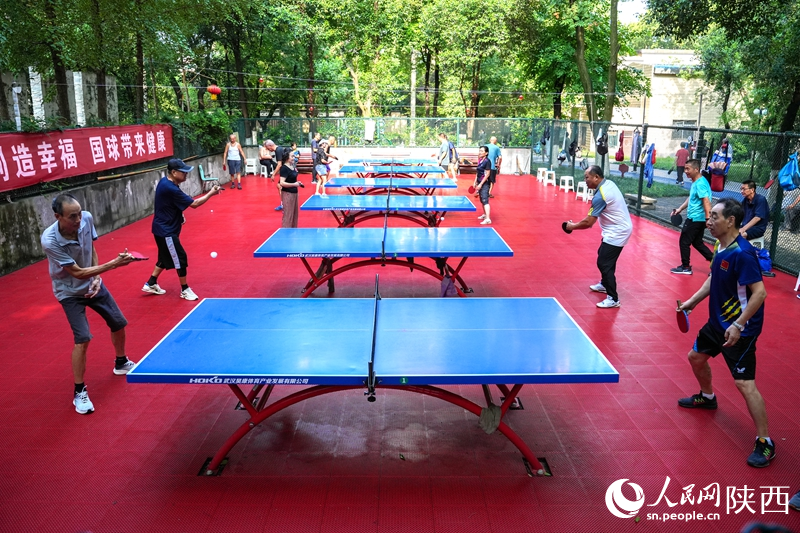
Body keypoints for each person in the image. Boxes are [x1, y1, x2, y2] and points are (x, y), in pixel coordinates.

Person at [676, 198, 772, 468]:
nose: (709, 221)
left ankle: (765, 442)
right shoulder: (720, 245)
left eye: (715, 216)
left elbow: (760, 293)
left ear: (730, 220)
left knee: (744, 383)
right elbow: (713, 278)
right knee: (695, 357)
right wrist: (692, 301)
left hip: (740, 329)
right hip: (718, 323)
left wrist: (739, 324)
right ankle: (707, 398)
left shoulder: (743, 253)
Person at [41, 194, 137, 415]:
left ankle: (121, 362)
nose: (78, 219)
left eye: (79, 213)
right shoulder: (50, 240)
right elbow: (76, 272)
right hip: (69, 292)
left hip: (92, 282)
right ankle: (79, 391)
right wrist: (113, 265)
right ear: (58, 217)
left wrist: (96, 279)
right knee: (83, 338)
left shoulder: (86, 219)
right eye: (72, 216)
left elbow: (90, 249)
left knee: (119, 322)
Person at [142, 158, 221, 301]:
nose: (186, 174)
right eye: (183, 172)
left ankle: (151, 283)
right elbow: (195, 204)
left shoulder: (166, 182)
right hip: (166, 231)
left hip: (162, 229)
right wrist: (211, 193)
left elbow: (169, 204)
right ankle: (185, 289)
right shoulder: (170, 188)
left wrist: (179, 215)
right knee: (180, 258)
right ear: (173, 172)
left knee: (164, 258)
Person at [564, 165, 633, 309]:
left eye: (587, 177)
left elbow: (588, 222)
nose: (585, 180)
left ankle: (613, 298)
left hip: (618, 231)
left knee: (604, 263)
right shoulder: (609, 183)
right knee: (604, 255)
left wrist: (571, 226)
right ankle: (604, 284)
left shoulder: (601, 195)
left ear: (596, 177)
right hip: (613, 229)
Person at [670, 159, 714, 275]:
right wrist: (680, 209)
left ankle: (685, 267)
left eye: (688, 169)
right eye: (685, 168)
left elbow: (706, 201)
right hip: (698, 218)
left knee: (684, 242)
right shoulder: (697, 182)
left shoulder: (700, 183)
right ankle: (716, 263)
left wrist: (708, 218)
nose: (685, 171)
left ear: (696, 169)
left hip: (696, 219)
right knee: (697, 243)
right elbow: (691, 199)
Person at [279, 149, 303, 228]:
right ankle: (285, 233)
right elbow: (282, 183)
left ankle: (293, 232)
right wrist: (294, 184)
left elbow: (292, 179)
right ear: (287, 158)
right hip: (287, 194)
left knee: (294, 215)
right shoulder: (284, 168)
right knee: (288, 215)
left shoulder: (292, 166)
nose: (294, 157)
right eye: (292, 156)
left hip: (294, 193)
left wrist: (297, 183)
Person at [474, 145, 492, 225]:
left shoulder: (487, 161)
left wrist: (481, 184)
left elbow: (487, 174)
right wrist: (475, 182)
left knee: (485, 200)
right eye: (479, 150)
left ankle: (488, 219)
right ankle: (485, 215)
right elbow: (478, 172)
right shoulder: (480, 160)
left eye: (482, 151)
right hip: (479, 182)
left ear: (486, 153)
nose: (480, 152)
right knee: (482, 200)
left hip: (485, 183)